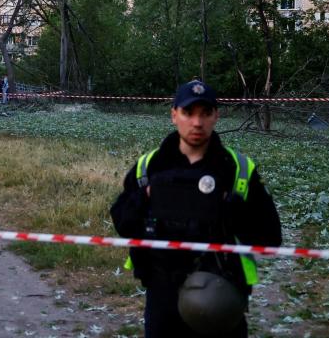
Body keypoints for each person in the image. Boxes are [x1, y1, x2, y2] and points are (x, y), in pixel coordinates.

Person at [110, 80, 282, 338]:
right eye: (188, 113)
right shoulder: (148, 168)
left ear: (216, 116)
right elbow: (123, 224)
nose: (197, 123)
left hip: (220, 295)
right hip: (163, 298)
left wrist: (231, 209)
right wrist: (146, 198)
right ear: (174, 115)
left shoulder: (238, 170)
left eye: (205, 113)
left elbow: (270, 239)